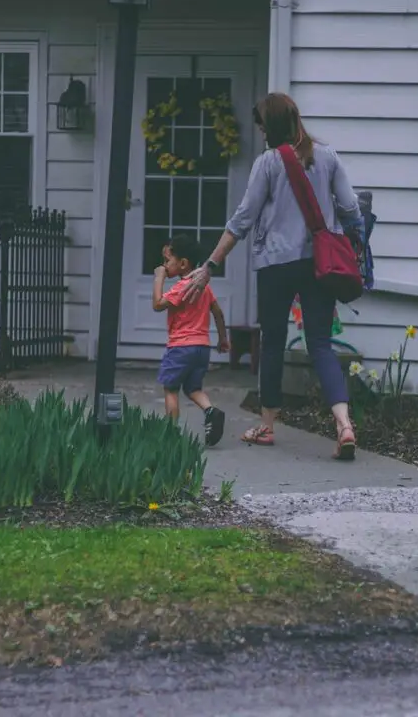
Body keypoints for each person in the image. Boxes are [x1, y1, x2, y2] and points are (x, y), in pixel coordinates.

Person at [180, 92, 362, 460]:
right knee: (321, 344)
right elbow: (350, 209)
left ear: (273, 125)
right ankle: (343, 424)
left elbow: (242, 221)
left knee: (273, 343)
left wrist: (210, 265)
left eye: (262, 123)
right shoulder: (327, 157)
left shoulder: (267, 164)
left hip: (276, 266)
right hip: (318, 265)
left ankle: (267, 426)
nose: (259, 130)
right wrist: (352, 242)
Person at [152, 233, 229, 446]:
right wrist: (223, 339)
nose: (164, 266)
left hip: (180, 348)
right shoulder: (203, 286)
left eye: (168, 261)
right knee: (193, 388)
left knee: (171, 389)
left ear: (183, 263)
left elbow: (158, 304)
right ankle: (210, 411)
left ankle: (170, 433)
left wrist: (159, 278)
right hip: (202, 347)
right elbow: (218, 312)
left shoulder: (181, 287)